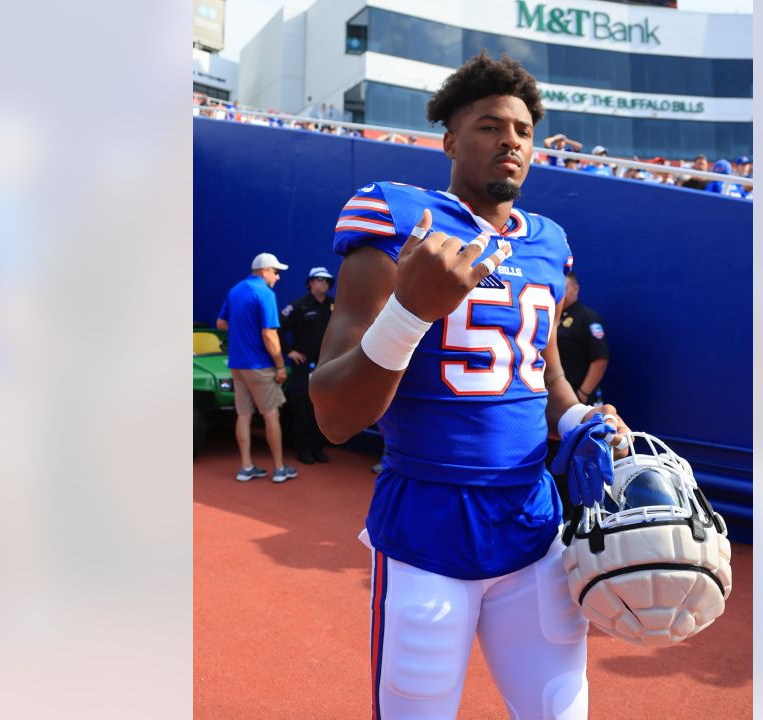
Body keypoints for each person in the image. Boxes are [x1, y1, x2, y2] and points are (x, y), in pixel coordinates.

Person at [309, 51, 630, 719]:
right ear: (450, 140)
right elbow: (333, 415)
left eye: (521, 130)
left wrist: (581, 421)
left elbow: (545, 373)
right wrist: (408, 314)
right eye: (489, 126)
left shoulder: (549, 242)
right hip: (427, 527)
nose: (510, 140)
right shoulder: (397, 219)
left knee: (558, 712)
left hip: (532, 524)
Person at [216, 252, 299, 484]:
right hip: (260, 366)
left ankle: (246, 467)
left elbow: (221, 323)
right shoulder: (265, 293)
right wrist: (281, 365)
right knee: (271, 414)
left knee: (243, 415)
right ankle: (280, 469)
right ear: (264, 272)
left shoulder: (235, 290)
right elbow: (269, 333)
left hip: (237, 364)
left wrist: (243, 328)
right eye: (275, 272)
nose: (278, 277)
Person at [280, 266, 336, 465]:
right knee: (302, 408)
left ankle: (318, 447)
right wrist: (289, 352)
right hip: (303, 367)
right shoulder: (299, 306)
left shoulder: (334, 305)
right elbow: (277, 328)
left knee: (323, 409)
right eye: (320, 280)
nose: (324, 284)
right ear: (310, 283)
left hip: (327, 367)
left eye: (327, 281)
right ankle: (303, 449)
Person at [556, 273, 609, 406]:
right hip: (557, 396)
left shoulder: (587, 318)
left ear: (575, 289)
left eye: (564, 288)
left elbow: (600, 358)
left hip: (579, 398)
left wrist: (583, 394)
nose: (560, 293)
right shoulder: (553, 317)